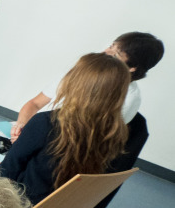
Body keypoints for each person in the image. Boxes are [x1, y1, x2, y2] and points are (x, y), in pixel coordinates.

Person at [0, 53, 146, 205]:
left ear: (74, 83)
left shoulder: (45, 122)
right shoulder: (120, 133)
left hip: (20, 205)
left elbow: (5, 173)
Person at [11, 31, 164, 142]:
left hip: (52, 151)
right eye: (111, 46)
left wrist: (26, 142)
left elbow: (79, 143)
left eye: (115, 54)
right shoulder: (82, 71)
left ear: (132, 68)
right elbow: (35, 103)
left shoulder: (128, 100)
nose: (105, 52)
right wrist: (21, 127)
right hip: (34, 136)